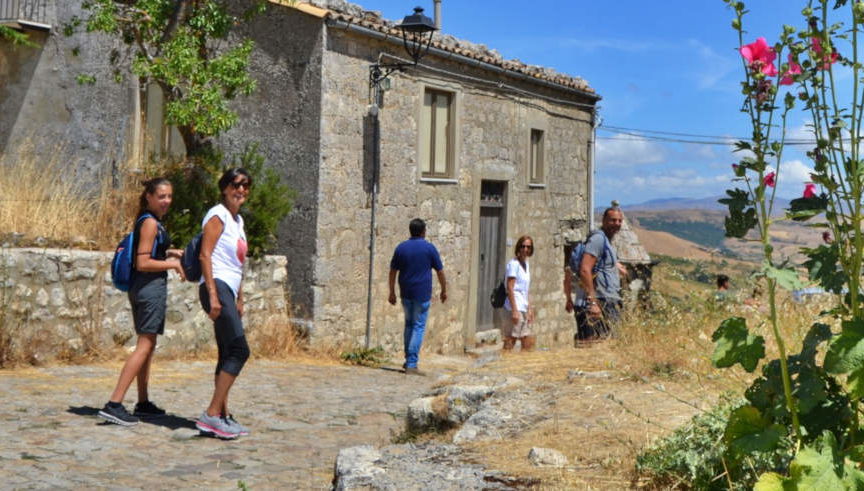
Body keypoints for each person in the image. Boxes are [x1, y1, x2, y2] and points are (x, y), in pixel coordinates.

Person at [98, 177, 185, 426]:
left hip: (145, 288)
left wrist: (169, 252)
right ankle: (114, 404)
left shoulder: (151, 222)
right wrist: (173, 264)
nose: (166, 201)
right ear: (149, 197)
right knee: (144, 346)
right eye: (161, 196)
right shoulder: (149, 223)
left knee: (148, 344)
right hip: (149, 289)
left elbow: (149, 254)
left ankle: (143, 402)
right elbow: (142, 262)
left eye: (169, 196)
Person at [195, 168, 253, 439]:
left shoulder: (237, 221)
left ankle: (222, 416)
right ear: (224, 188)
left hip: (228, 288)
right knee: (240, 350)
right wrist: (214, 296)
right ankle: (211, 414)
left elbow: (238, 263)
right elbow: (205, 256)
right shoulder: (217, 215)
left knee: (227, 352)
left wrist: (240, 297)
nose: (240, 190)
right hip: (216, 286)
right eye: (235, 185)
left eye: (245, 186)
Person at [388, 218, 447, 375]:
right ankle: (412, 364)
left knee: (409, 325)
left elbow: (393, 271)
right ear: (423, 231)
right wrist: (444, 289)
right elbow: (440, 271)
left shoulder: (401, 248)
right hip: (422, 294)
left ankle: (409, 360)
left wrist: (391, 291)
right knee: (418, 326)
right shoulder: (429, 249)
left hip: (405, 292)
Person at [565, 207, 627, 342]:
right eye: (612, 220)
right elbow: (585, 269)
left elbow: (600, 265)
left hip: (606, 299)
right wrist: (593, 302)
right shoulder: (598, 239)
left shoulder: (606, 241)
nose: (616, 224)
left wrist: (615, 267)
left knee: (607, 344)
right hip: (600, 301)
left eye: (619, 221)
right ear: (604, 220)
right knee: (597, 345)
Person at [503, 235, 535, 351]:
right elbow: (510, 288)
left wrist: (529, 308)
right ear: (518, 247)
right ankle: (505, 362)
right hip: (515, 306)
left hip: (523, 306)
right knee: (511, 339)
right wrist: (514, 310)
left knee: (526, 339)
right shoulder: (513, 264)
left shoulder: (526, 265)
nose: (525, 249)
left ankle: (522, 364)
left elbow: (526, 289)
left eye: (528, 247)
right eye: (523, 246)